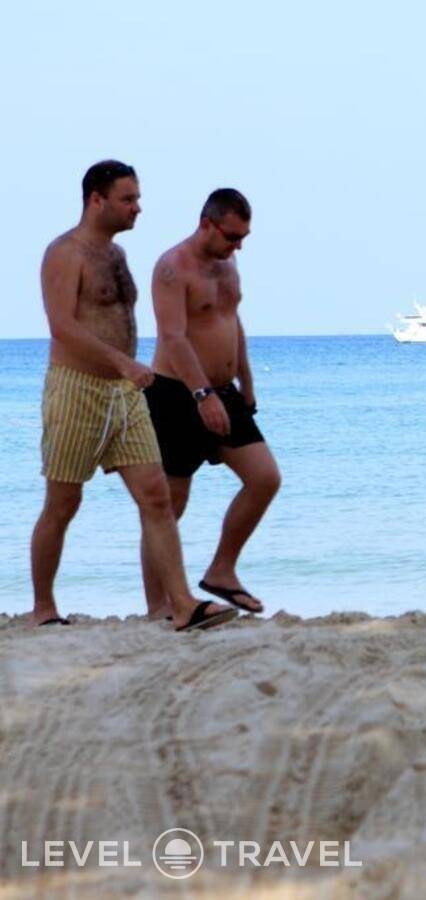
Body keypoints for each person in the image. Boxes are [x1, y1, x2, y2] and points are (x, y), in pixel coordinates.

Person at [31, 160, 238, 632]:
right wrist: (122, 362)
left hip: (125, 394)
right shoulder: (64, 252)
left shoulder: (118, 255)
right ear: (96, 200)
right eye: (128, 199)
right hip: (76, 388)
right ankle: (43, 608)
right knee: (63, 503)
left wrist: (129, 369)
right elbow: (61, 325)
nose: (138, 208)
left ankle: (179, 604)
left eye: (138, 198)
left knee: (156, 496)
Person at [142, 188, 280, 616]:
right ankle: (158, 606)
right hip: (177, 394)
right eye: (232, 236)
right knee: (169, 505)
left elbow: (231, 320)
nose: (238, 246)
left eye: (243, 238)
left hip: (224, 391)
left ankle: (222, 570)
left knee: (264, 478)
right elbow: (173, 337)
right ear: (207, 224)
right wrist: (202, 395)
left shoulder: (229, 263)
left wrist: (246, 380)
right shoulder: (172, 267)